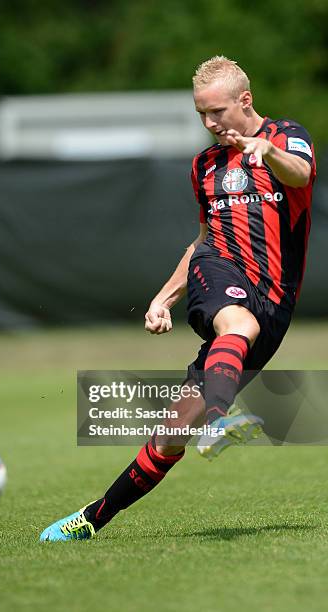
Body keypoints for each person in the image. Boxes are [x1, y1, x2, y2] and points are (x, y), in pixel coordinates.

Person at [40, 56, 316, 542]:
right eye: (201, 115)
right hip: (220, 274)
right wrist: (163, 297)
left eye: (217, 112)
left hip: (274, 299)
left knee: (170, 436)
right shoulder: (205, 166)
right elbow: (203, 241)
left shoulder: (286, 137)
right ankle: (219, 419)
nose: (209, 124)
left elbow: (300, 175)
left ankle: (91, 518)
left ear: (244, 101)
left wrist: (265, 151)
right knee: (237, 325)